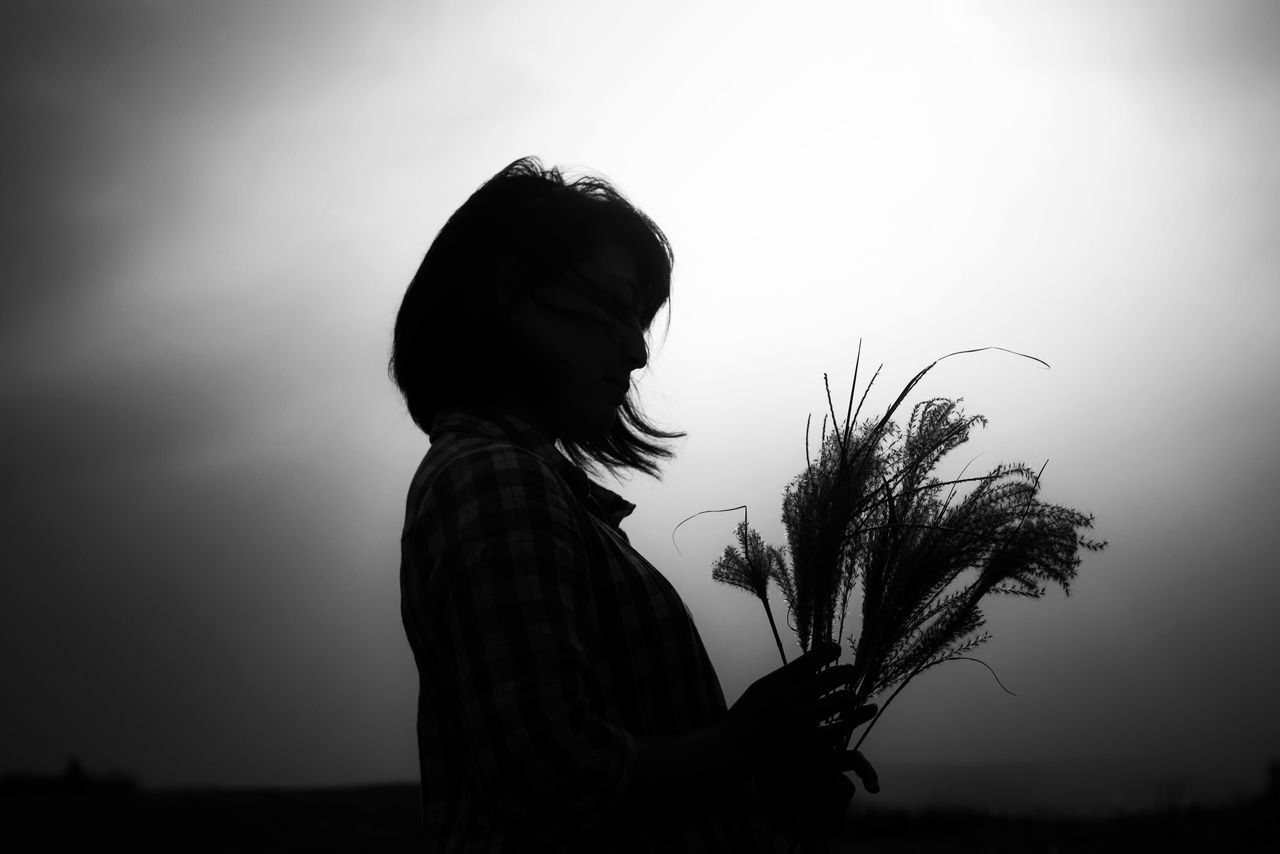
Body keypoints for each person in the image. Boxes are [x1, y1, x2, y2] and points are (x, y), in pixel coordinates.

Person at [389, 157, 877, 852]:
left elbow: (613, 779)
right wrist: (740, 745)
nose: (638, 352)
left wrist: (758, 779)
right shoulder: (498, 481)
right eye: (617, 307)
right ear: (510, 294)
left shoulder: (534, 487)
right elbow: (551, 782)